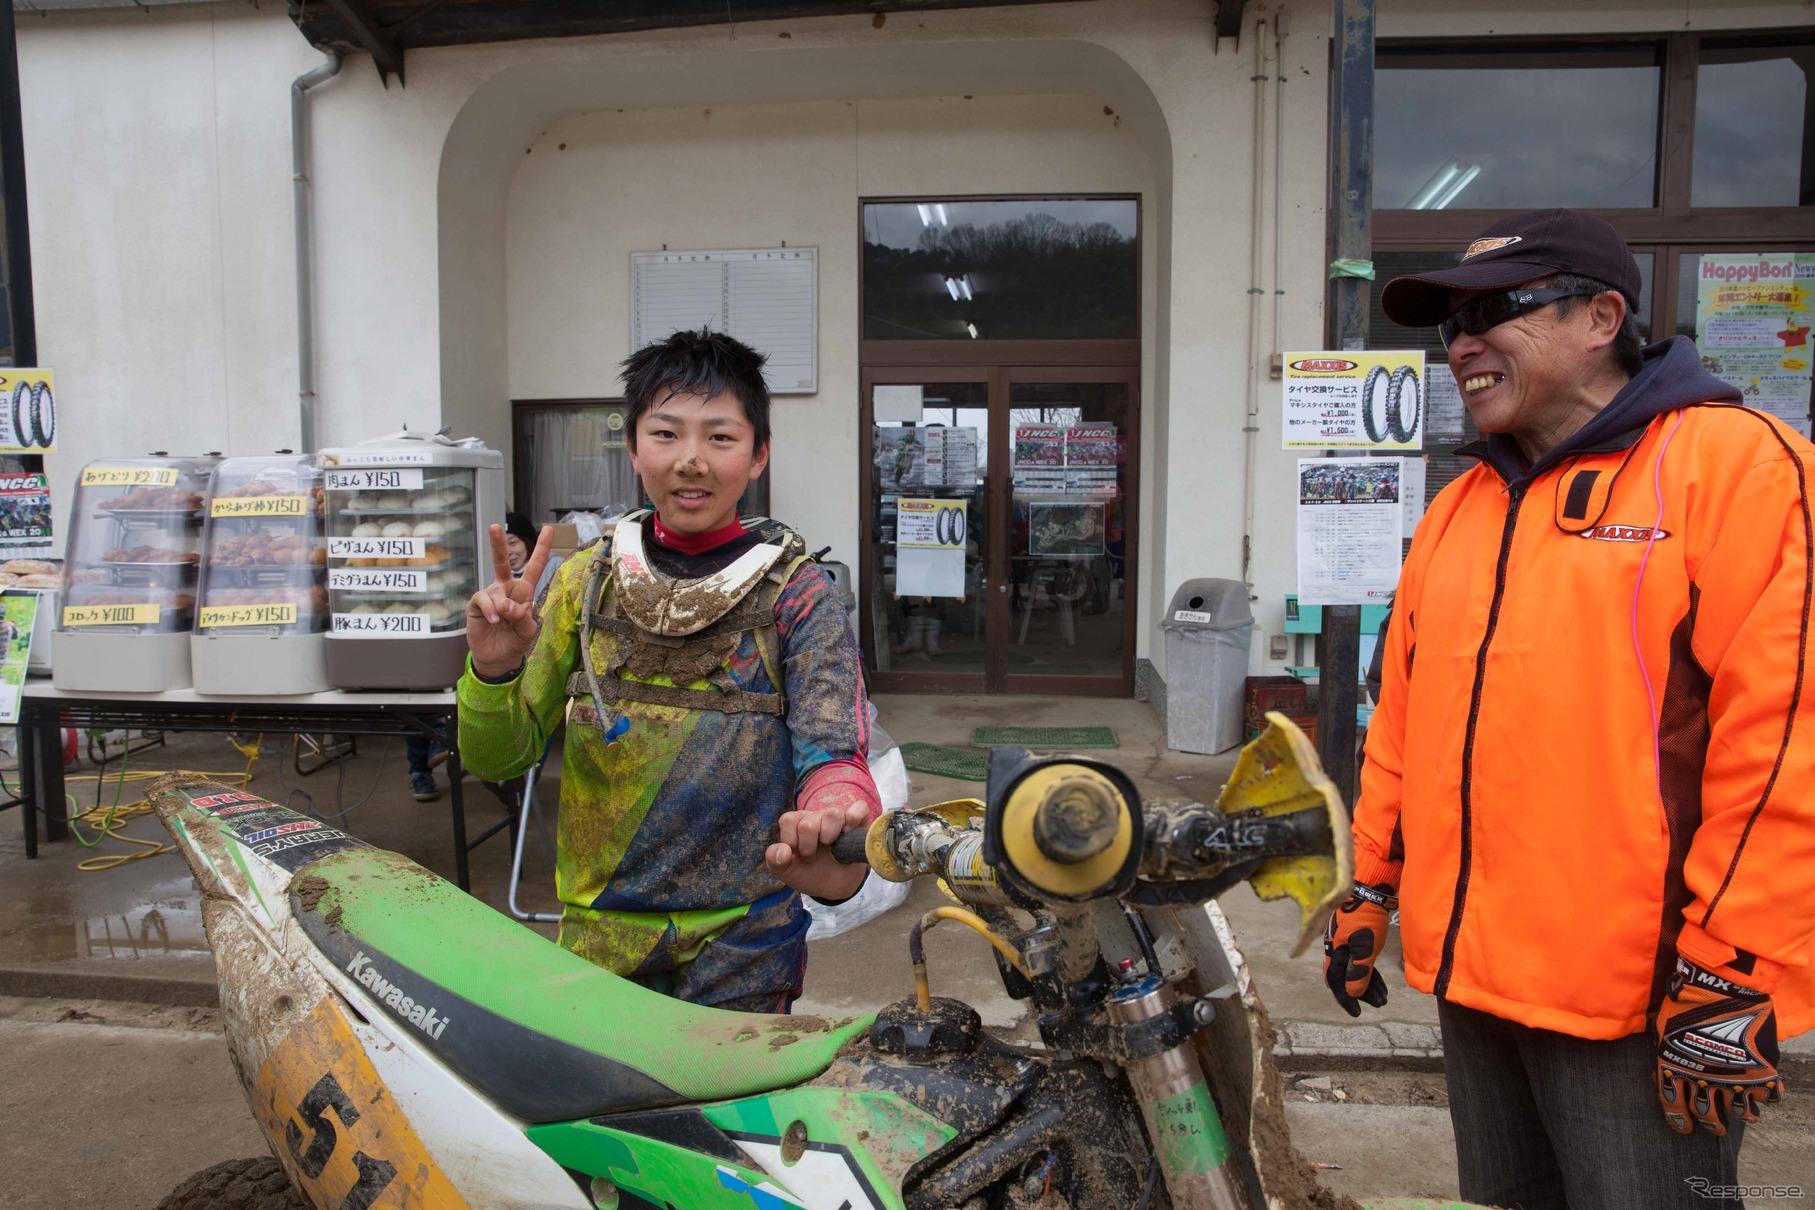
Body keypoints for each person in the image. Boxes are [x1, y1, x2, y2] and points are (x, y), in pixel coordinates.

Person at [1325, 209, 1815, 1209]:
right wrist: (1370, 885)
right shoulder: (1462, 508)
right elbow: (1405, 726)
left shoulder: (1737, 468)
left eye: (1497, 309)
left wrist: (1734, 972)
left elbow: (1786, 743)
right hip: (1475, 988)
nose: (1463, 342)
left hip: (1638, 1005)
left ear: (1602, 316)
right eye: (1448, 325)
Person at [458, 328, 876, 1012]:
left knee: (728, 1114)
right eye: (665, 434)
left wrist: (835, 811)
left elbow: (833, 753)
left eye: (720, 437)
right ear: (632, 448)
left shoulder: (799, 595)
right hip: (597, 943)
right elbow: (498, 761)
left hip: (743, 946)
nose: (691, 461)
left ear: (758, 453)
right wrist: (493, 670)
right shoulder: (584, 584)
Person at [503, 510, 565, 602]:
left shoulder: (556, 566)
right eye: (502, 546)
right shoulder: (499, 576)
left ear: (528, 542)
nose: (508, 552)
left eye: (512, 543)